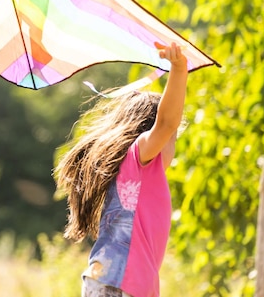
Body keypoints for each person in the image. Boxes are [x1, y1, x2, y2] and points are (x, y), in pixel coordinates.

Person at [54, 42, 188, 297]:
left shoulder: (138, 176)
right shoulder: (137, 159)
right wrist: (179, 69)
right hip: (118, 282)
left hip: (116, 282)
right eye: (173, 139)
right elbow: (166, 123)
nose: (172, 145)